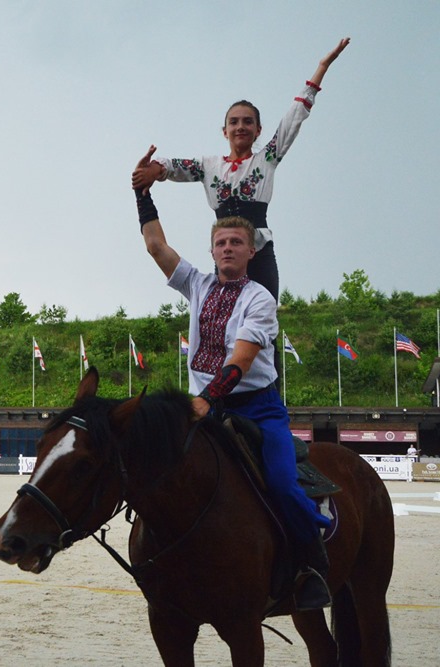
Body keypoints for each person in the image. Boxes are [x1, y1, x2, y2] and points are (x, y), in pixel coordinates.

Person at [133, 147, 332, 610]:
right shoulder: (196, 284)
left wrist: (206, 400)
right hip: (202, 404)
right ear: (211, 249)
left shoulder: (260, 299)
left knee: (282, 483)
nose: (227, 248)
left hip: (257, 410)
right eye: (221, 242)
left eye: (236, 243)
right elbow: (155, 246)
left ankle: (309, 563)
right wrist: (144, 194)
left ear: (251, 251)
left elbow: (241, 359)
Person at [131, 38, 350, 302]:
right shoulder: (209, 166)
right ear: (225, 131)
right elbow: (175, 166)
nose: (240, 127)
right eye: (234, 122)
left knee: (265, 311)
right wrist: (153, 170)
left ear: (258, 130)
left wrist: (322, 67)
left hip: (259, 249)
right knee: (226, 313)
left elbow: (295, 116)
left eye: (248, 122)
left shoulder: (266, 158)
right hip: (226, 252)